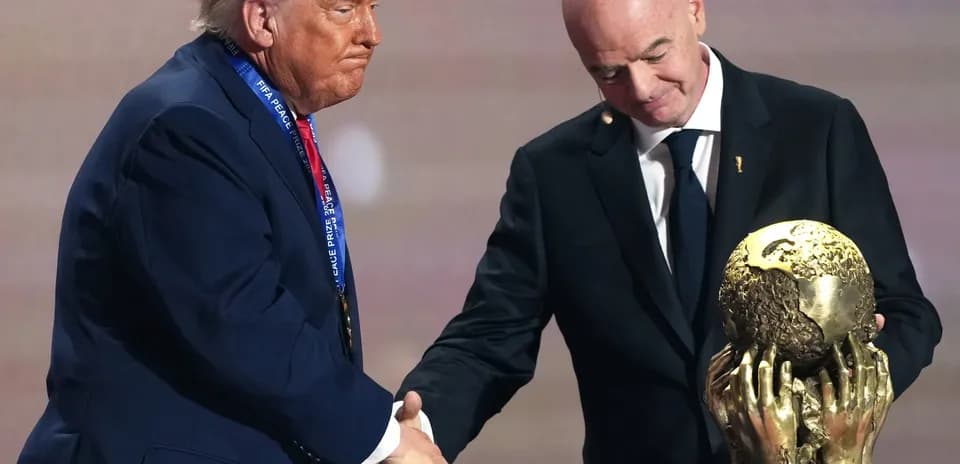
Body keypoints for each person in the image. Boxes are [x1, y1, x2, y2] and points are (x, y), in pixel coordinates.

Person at [395, 0, 942, 462]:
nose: (641, 88)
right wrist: (417, 428)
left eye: (655, 54)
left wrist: (827, 405)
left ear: (696, 10)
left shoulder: (816, 128)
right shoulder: (552, 174)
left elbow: (905, 312)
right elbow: (491, 337)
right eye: (607, 73)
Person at [18, 1, 443, 463]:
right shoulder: (185, 128)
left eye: (372, 7)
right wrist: (380, 437)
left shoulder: (252, 114)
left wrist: (380, 427)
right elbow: (243, 318)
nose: (371, 33)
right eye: (343, 9)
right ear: (261, 19)